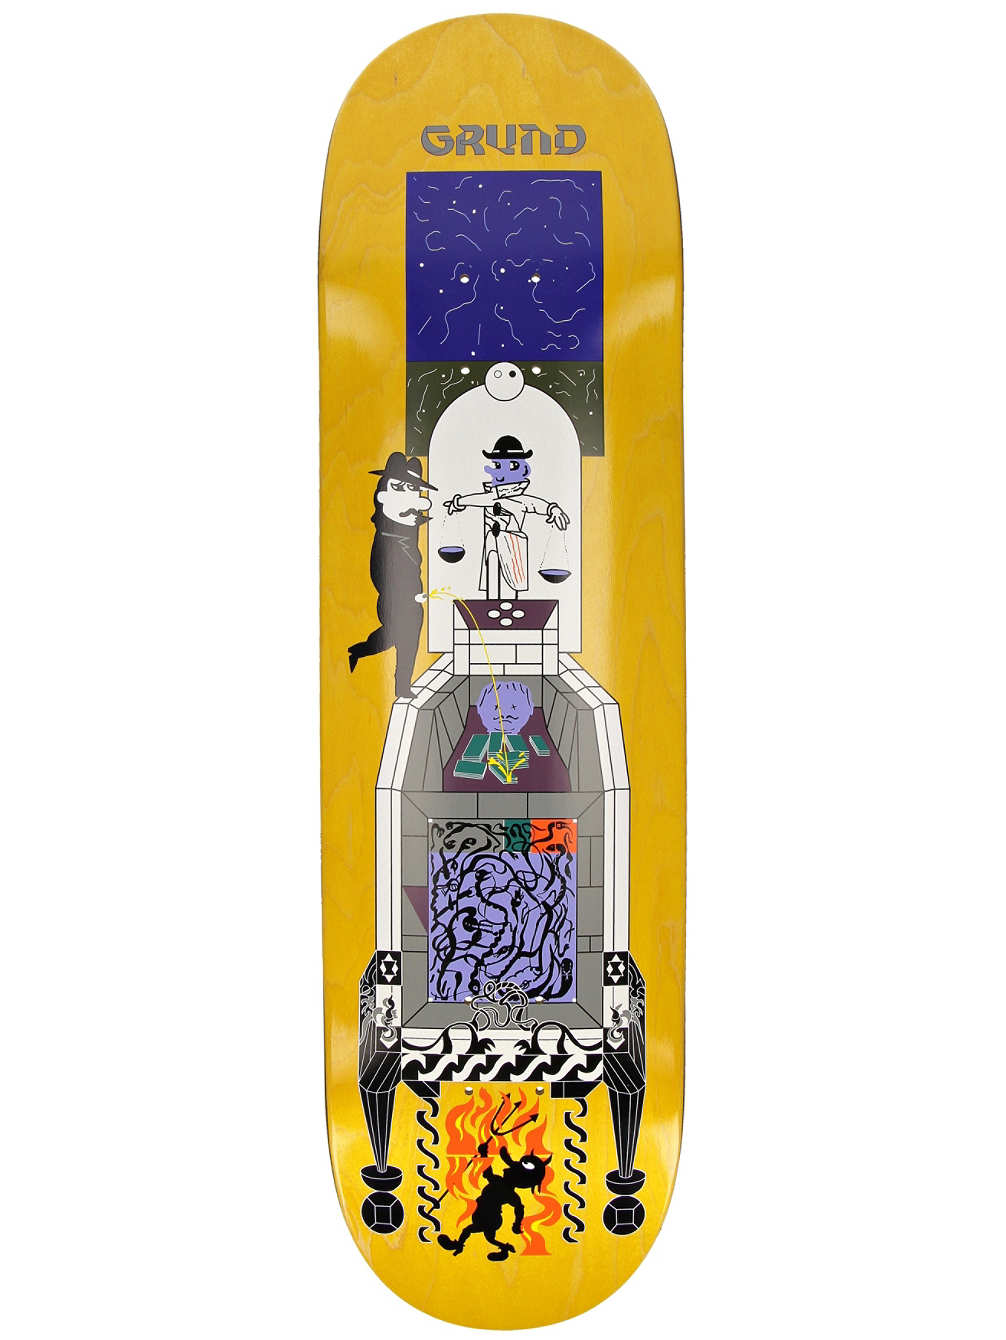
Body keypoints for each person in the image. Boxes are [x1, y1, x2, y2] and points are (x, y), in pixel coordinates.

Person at [348, 451, 435, 698]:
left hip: (411, 599)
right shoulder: (386, 539)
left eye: (414, 490)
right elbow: (380, 573)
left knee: (403, 639)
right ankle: (365, 655)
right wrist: (409, 596)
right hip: (397, 601)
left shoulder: (406, 530)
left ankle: (397, 682)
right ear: (384, 495)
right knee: (399, 636)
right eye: (399, 488)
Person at [444, 436, 569, 599]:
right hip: (491, 547)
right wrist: (459, 502)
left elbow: (535, 504)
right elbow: (482, 499)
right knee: (492, 583)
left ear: (523, 469)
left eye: (510, 466)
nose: (501, 472)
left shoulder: (520, 500)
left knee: (509, 587)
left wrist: (552, 509)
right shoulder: (490, 495)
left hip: (512, 547)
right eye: (497, 465)